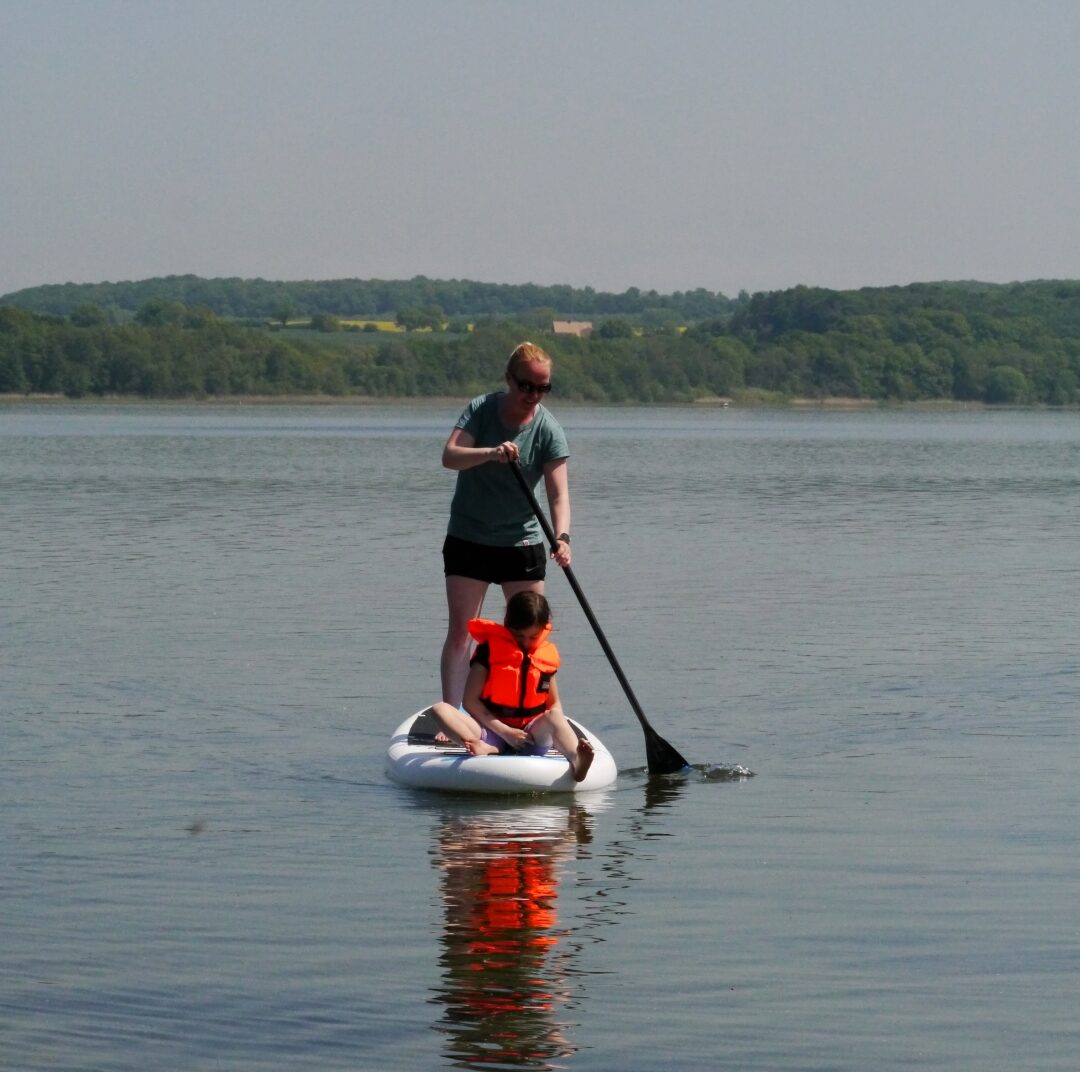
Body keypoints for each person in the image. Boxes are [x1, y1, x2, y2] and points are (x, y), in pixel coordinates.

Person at [440, 341, 571, 708]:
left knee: (533, 637)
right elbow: (450, 457)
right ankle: (454, 715)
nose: (532, 395)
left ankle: (533, 711)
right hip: (470, 537)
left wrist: (562, 538)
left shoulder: (548, 430)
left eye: (542, 388)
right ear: (509, 380)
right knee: (462, 634)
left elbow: (559, 495)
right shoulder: (481, 411)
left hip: (522, 543)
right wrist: (491, 452)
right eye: (525, 385)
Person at [429, 591, 594, 782]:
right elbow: (469, 701)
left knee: (555, 716)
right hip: (489, 732)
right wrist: (505, 732)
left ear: (543, 628)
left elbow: (554, 704)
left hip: (530, 736)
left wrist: (555, 735)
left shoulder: (545, 656)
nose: (525, 642)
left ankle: (578, 760)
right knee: (439, 709)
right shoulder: (489, 651)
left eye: (532, 637)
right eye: (519, 635)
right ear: (508, 624)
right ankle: (483, 747)